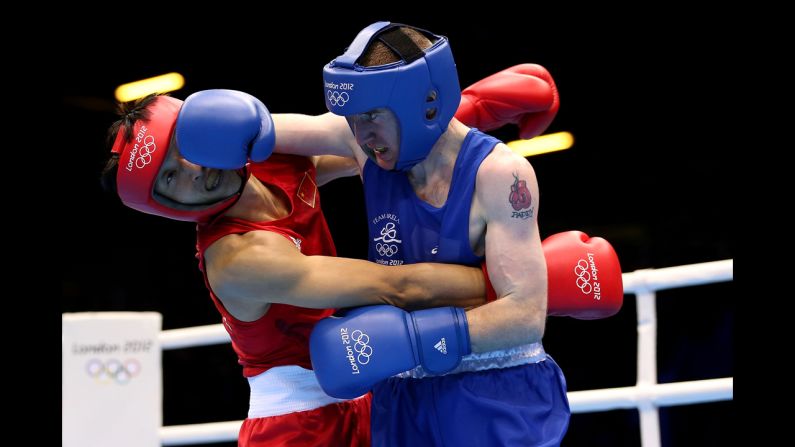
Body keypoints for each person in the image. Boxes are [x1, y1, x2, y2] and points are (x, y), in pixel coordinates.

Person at [99, 66, 596, 446]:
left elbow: (376, 144)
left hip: (370, 393)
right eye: (169, 177)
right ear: (165, 206)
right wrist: (529, 291)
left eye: (185, 148)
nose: (194, 170)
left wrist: (475, 107)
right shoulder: (239, 256)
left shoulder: (275, 162)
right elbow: (397, 287)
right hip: (296, 427)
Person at [249, 22, 624, 446]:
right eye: (353, 119)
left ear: (424, 105)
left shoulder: (500, 174)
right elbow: (253, 131)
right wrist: (181, 124)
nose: (362, 135)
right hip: (404, 398)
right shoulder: (361, 144)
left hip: (495, 391)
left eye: (372, 115)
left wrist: (410, 340)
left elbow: (525, 316)